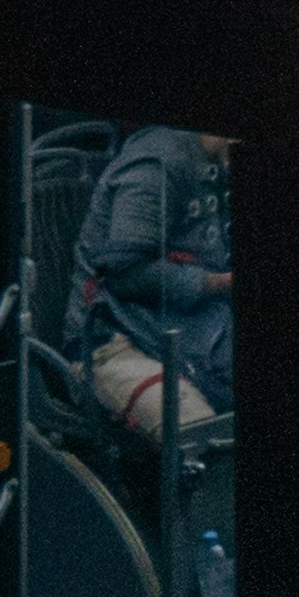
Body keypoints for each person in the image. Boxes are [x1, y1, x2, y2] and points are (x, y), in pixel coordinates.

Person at [72, 120, 231, 439]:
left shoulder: (216, 167)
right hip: (113, 340)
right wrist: (222, 282)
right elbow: (125, 275)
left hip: (194, 327)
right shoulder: (158, 162)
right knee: (197, 433)